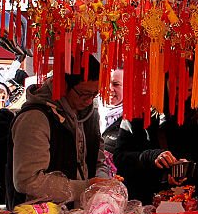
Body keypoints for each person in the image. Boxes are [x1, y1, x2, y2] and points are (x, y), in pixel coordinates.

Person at [11, 58, 108, 205]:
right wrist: (84, 187)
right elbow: (28, 180)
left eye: (95, 95)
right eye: (84, 94)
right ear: (62, 86)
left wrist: (102, 182)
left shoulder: (90, 114)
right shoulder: (35, 118)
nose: (89, 101)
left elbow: (99, 160)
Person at [100, 68, 124, 155]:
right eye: (106, 83)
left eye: (116, 84)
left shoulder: (133, 118)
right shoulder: (90, 110)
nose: (110, 88)